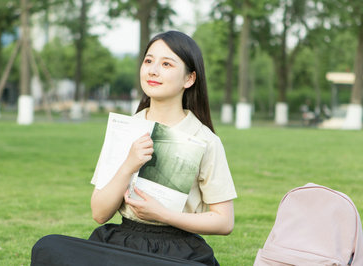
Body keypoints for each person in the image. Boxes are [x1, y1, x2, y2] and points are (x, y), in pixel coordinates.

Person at [31, 31, 237, 266]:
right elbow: (99, 214)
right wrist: (128, 165)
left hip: (179, 252)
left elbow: (224, 222)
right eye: (148, 61)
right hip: (122, 243)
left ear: (189, 79)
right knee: (48, 247)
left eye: (166, 64)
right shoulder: (124, 129)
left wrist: (162, 214)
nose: (153, 70)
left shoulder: (205, 139)